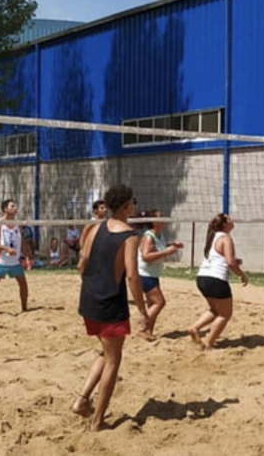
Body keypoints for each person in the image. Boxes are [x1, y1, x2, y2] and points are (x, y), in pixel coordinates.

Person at [71, 185, 150, 432]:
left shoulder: (95, 228)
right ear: (127, 206)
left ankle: (82, 401)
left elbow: (81, 263)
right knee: (114, 360)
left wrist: (93, 286)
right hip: (109, 303)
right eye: (132, 202)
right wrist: (143, 312)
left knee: (105, 353)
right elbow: (133, 278)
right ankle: (97, 422)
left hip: (89, 299)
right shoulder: (129, 235)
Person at [188, 213, 248, 351]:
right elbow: (230, 263)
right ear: (226, 224)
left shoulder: (212, 237)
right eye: (229, 218)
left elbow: (222, 259)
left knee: (215, 310)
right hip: (216, 279)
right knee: (225, 314)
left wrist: (234, 261)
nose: (232, 219)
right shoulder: (225, 238)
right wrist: (242, 275)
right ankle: (208, 343)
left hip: (202, 278)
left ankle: (194, 327)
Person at [136, 209, 184, 340]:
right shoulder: (148, 236)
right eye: (160, 217)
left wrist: (172, 245)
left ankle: (148, 333)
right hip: (144, 274)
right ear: (153, 222)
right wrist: (167, 252)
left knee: (152, 304)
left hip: (153, 273)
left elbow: (159, 248)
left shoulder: (160, 235)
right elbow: (146, 256)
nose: (163, 219)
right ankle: (143, 326)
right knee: (160, 302)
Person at [0, 199, 33, 313]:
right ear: (5, 209)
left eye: (15, 206)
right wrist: (6, 248)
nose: (15, 208)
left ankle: (24, 309)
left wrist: (27, 257)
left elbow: (22, 241)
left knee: (23, 283)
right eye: (12, 206)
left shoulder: (17, 225)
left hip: (15, 260)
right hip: (1, 260)